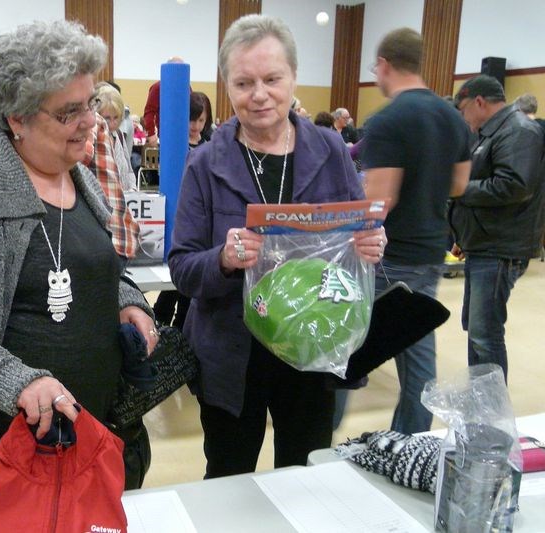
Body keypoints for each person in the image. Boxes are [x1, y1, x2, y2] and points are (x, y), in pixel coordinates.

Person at [0, 20, 157, 515]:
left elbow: (102, 268)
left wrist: (128, 303)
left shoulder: (77, 175)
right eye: (69, 112)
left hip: (82, 428)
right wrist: (16, 381)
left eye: (90, 104)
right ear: (16, 118)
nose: (91, 122)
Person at [168, 14, 385, 479]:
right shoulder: (205, 164)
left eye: (272, 79)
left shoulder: (330, 151)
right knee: (228, 475)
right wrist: (224, 259)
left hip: (314, 348)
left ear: (293, 79)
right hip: (232, 354)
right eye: (244, 82)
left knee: (306, 475)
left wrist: (369, 246)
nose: (259, 94)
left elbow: (353, 243)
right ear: (227, 86)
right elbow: (182, 267)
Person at [361, 27, 471, 434]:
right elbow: (460, 185)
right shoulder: (452, 117)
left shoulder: (389, 120)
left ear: (385, 64)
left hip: (389, 256)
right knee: (417, 347)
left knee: (350, 347)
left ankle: (320, 435)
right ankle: (410, 438)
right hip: (430, 249)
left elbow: (380, 199)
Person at [450, 75, 545, 381]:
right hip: (485, 243)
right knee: (476, 330)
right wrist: (463, 235)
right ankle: (482, 403)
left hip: (500, 248)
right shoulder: (493, 131)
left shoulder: (518, 130)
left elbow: (514, 186)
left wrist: (459, 189)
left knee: (485, 334)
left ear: (479, 102)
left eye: (464, 110)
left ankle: (492, 413)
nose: (464, 118)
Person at [153, 91, 211, 329]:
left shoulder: (210, 147)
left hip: (201, 225)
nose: (195, 126)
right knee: (170, 288)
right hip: (176, 220)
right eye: (191, 120)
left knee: (187, 294)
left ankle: (179, 335)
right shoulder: (175, 146)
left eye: (200, 120)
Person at [96, 83, 137, 191]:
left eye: (116, 117)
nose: (113, 123)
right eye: (107, 118)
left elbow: (129, 169)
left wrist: (132, 190)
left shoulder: (118, 135)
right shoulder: (92, 140)